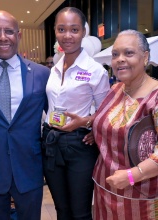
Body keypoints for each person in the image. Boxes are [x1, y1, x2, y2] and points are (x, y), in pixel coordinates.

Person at [89, 30, 158, 219]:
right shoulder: (116, 89)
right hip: (106, 191)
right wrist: (97, 129)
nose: (120, 59)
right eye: (115, 54)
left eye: (128, 53)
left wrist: (132, 176)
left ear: (145, 57)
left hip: (146, 199)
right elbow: (111, 123)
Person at [0, 10, 50, 220]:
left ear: (19, 35)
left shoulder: (41, 73)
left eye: (9, 31)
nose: (3, 37)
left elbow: (57, 112)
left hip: (29, 166)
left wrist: (89, 122)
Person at [42, 7, 109, 220]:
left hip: (80, 145)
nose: (67, 35)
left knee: (80, 212)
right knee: (61, 209)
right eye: (61, 29)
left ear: (83, 33)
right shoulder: (54, 68)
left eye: (74, 29)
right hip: (51, 142)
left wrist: (86, 122)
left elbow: (107, 111)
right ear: (55, 31)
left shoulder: (95, 70)